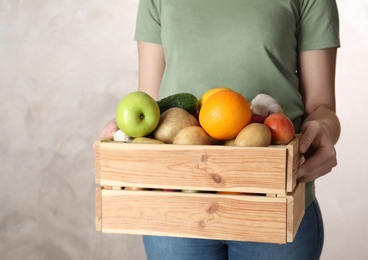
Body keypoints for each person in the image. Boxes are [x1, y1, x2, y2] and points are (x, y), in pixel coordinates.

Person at [95, 0, 341, 259]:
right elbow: (150, 103)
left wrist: (323, 128)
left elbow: (321, 106)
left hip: (273, 201)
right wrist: (124, 132)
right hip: (176, 203)